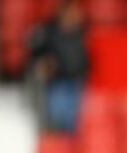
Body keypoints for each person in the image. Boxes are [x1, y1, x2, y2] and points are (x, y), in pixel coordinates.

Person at [27, 0, 91, 134]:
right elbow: (36, 55)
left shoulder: (82, 32)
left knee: (75, 124)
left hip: (77, 83)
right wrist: (43, 65)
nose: (75, 15)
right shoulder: (49, 32)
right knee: (57, 121)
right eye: (71, 12)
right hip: (57, 83)